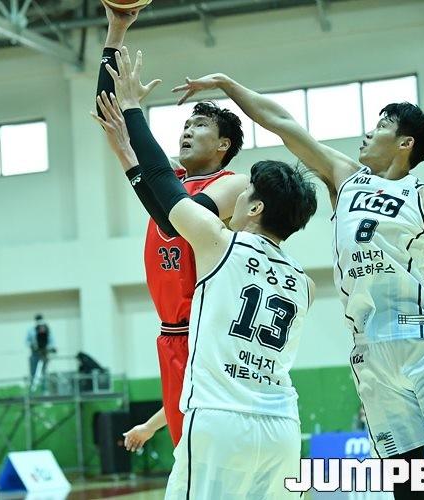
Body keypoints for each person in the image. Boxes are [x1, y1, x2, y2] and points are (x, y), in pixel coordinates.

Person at [171, 73, 424, 499]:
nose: (368, 132)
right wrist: (227, 84)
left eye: (381, 126)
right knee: (406, 484)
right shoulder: (345, 176)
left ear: (405, 143)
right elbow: (282, 122)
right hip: (369, 352)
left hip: (421, 342)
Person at [94, 45, 318, 498]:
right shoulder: (306, 284)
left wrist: (133, 119)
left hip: (217, 408)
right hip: (278, 417)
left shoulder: (220, 243)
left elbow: (167, 207)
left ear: (254, 207)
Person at [95, 3, 249, 449]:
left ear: (223, 144)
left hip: (208, 331)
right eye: (185, 124)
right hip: (172, 336)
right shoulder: (171, 182)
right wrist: (116, 33)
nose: (186, 131)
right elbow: (108, 111)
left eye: (199, 125)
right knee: (189, 459)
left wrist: (130, 158)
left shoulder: (234, 184)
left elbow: (174, 220)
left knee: (207, 461)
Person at [27, 314, 56, 387]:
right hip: (35, 353)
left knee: (44, 371)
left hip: (44, 353)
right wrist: (33, 345)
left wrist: (49, 348)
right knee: (33, 371)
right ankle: (32, 387)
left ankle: (44, 388)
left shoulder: (47, 330)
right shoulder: (31, 330)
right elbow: (27, 341)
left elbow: (51, 341)